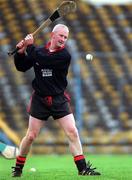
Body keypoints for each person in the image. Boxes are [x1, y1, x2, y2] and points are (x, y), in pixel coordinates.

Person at [12, 24, 101, 177]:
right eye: (61, 36)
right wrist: (20, 52)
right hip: (40, 99)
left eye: (66, 37)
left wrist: (29, 45)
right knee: (31, 136)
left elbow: (44, 60)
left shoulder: (64, 56)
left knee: (72, 132)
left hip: (58, 99)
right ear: (53, 35)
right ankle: (18, 168)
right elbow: (22, 67)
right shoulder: (38, 52)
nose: (63, 40)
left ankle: (83, 169)